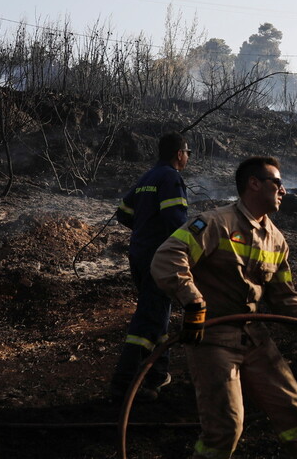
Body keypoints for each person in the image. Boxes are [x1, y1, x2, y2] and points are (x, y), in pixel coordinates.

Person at [151, 155, 297, 459]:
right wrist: (193, 302)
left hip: (255, 339)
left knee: (294, 413)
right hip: (213, 338)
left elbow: (286, 298)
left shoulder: (277, 241)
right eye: (277, 182)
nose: (283, 190)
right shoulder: (215, 223)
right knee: (225, 428)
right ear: (254, 184)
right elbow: (167, 257)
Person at [109, 132, 190, 402]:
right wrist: (191, 250)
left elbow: (123, 212)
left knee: (156, 312)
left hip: (139, 254)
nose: (188, 157)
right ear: (179, 154)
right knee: (148, 318)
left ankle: (157, 375)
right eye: (187, 152)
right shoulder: (171, 178)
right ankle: (124, 383)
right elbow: (176, 221)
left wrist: (144, 229)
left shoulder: (147, 177)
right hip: (160, 257)